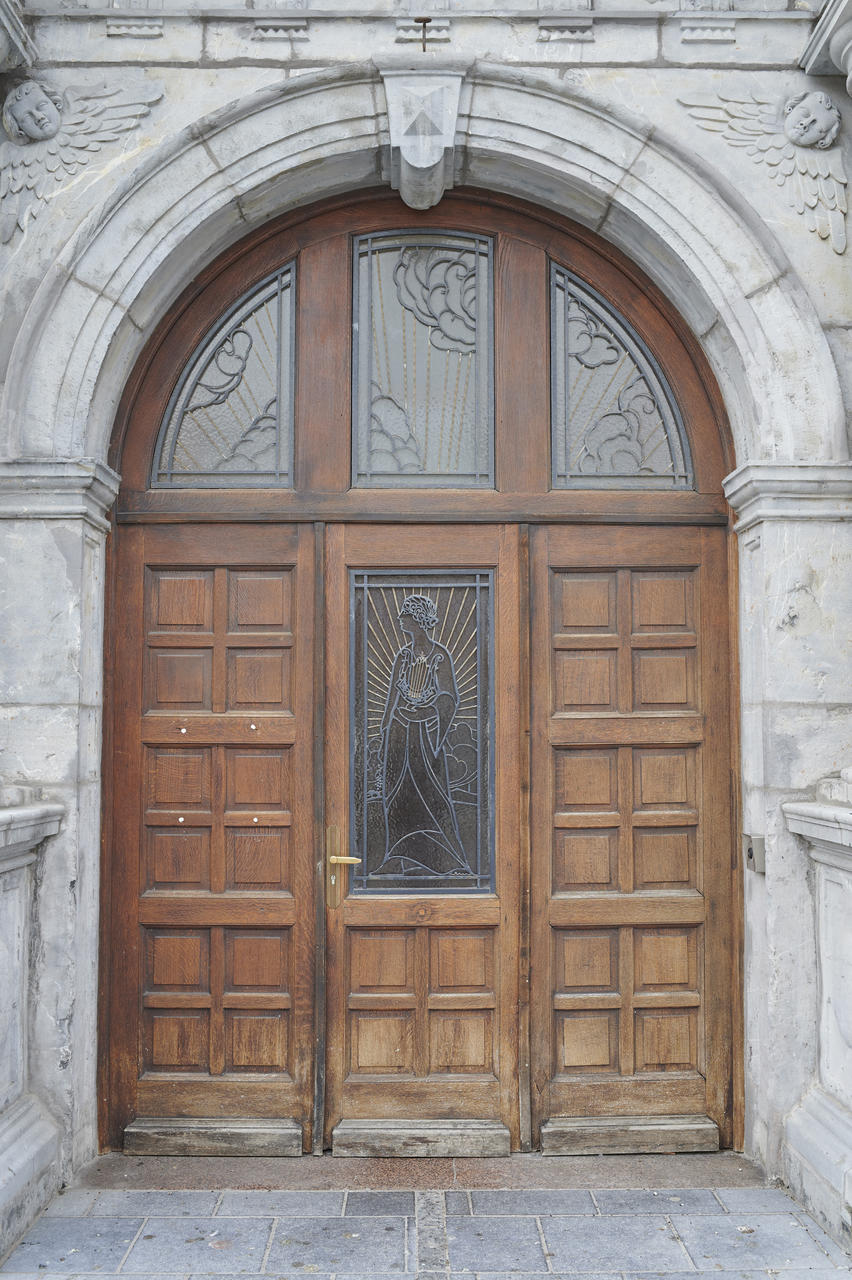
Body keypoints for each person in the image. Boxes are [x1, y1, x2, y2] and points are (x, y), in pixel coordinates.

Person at [376, 593, 470, 878]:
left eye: (406, 616)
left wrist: (427, 714)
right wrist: (384, 732)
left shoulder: (439, 655)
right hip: (399, 735)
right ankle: (398, 857)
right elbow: (392, 698)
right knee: (395, 794)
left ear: (418, 621)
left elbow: (449, 698)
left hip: (425, 737)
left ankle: (450, 862)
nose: (402, 621)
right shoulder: (402, 657)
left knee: (431, 794)